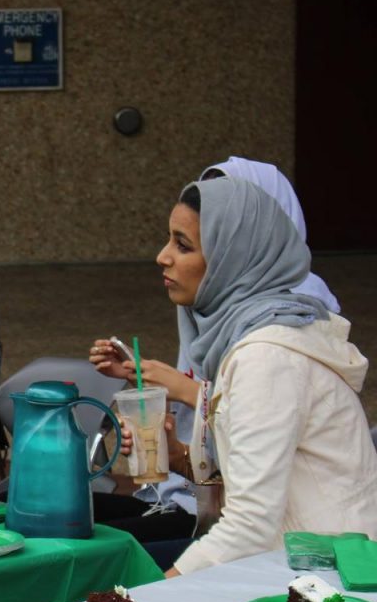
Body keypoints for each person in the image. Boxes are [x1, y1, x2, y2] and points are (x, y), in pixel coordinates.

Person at [94, 177, 377, 576]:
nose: (162, 257)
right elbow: (245, 479)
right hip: (296, 565)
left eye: (183, 245)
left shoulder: (266, 356)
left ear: (232, 258)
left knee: (111, 577)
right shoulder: (252, 337)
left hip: (324, 580)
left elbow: (250, 526)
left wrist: (153, 596)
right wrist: (173, 454)